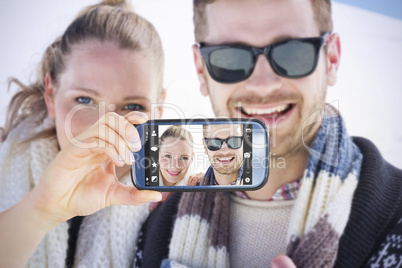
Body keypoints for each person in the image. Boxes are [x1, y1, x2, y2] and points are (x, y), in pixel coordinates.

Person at [135, 0, 402, 267]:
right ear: (201, 71)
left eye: (292, 52)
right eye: (230, 56)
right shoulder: (155, 226)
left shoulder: (394, 222)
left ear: (331, 59)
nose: (262, 85)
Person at [0, 1, 165, 267]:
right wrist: (41, 208)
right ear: (51, 95)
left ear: (158, 110)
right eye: (85, 100)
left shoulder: (168, 206)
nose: (106, 126)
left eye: (132, 106)